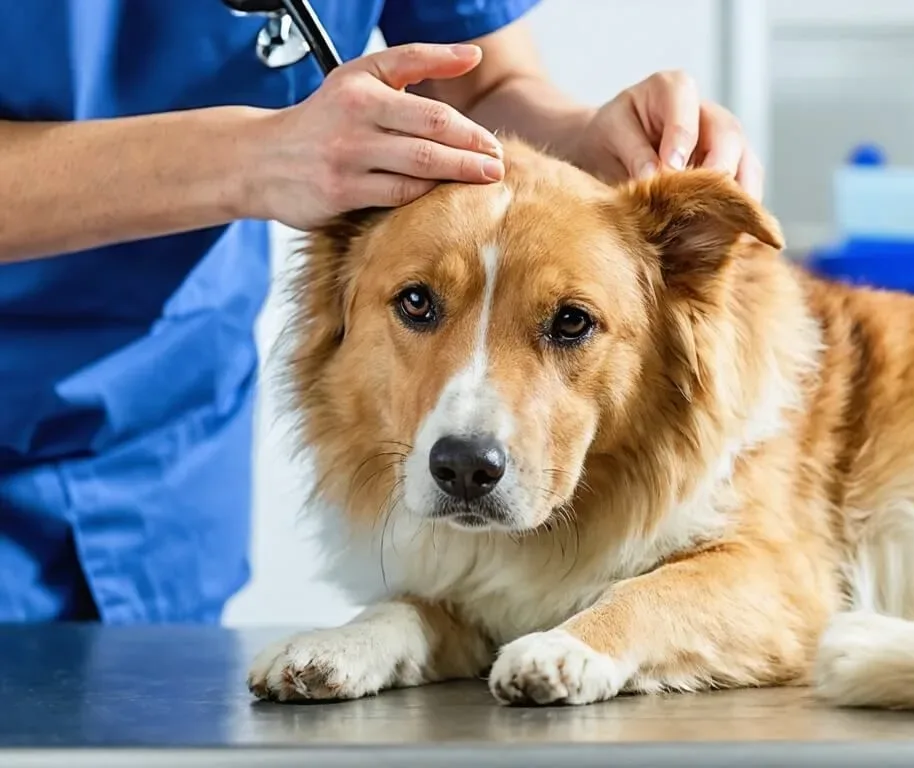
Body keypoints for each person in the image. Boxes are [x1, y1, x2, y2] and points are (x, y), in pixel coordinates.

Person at [0, 0, 763, 624]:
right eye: (420, 305)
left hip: (160, 441)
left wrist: (584, 141)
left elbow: (482, 83)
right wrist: (248, 158)